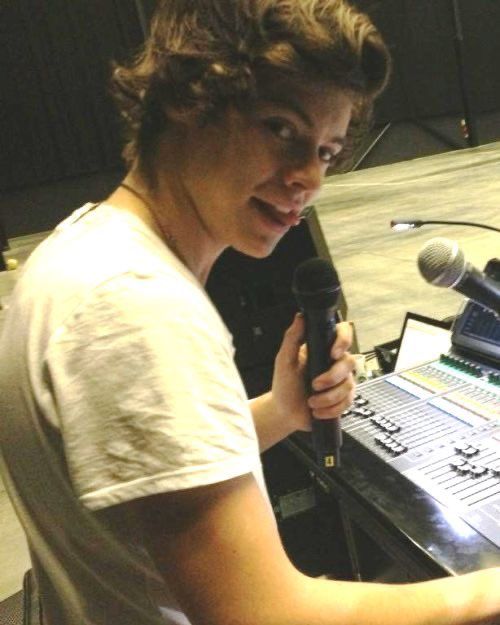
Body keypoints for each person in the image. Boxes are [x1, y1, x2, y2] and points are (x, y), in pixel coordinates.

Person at [0, 1, 499, 624]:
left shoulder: (80, 248)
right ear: (190, 101)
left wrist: (280, 412)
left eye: (326, 150)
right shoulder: (140, 309)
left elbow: (139, 485)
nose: (306, 178)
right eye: (281, 129)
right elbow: (264, 614)